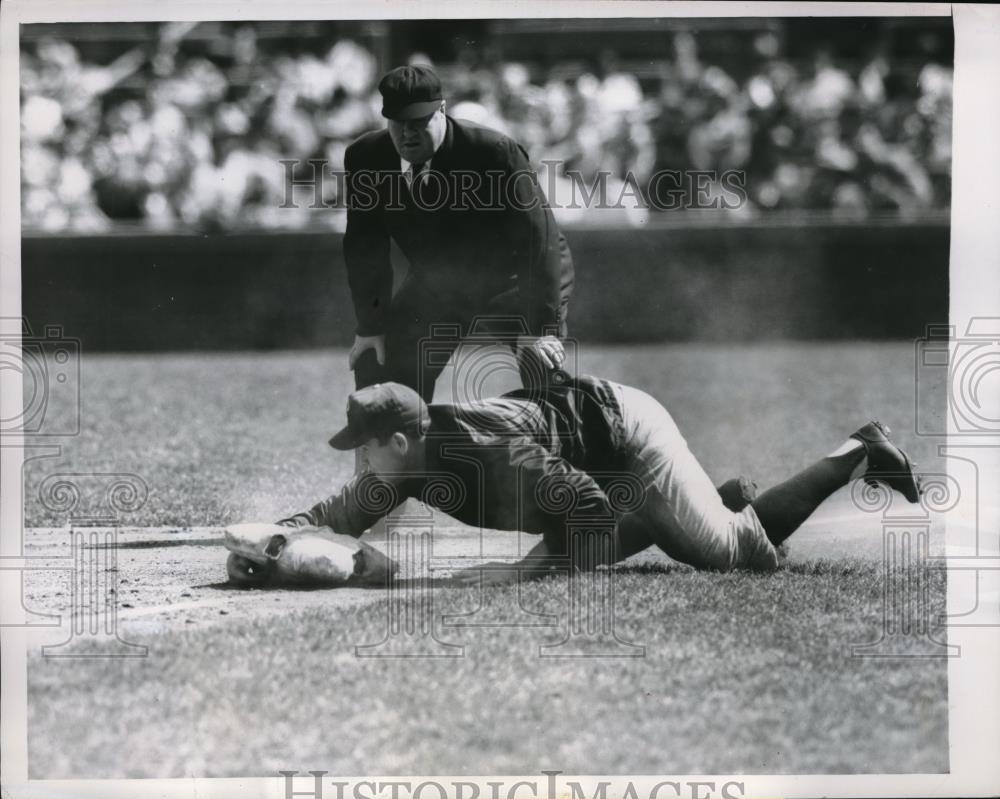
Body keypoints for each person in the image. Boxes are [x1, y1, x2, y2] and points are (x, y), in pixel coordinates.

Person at [274, 375, 922, 583]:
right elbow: (340, 512)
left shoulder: (485, 451)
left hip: (627, 436)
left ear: (397, 442)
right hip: (593, 447)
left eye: (364, 449)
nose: (360, 462)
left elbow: (586, 507)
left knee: (731, 553)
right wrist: (276, 540)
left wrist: (519, 571)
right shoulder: (406, 460)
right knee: (616, 539)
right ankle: (712, 499)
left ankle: (861, 450)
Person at [342, 64, 575, 402]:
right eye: (398, 122)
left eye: (418, 121)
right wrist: (370, 326)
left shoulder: (494, 152)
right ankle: (396, 438)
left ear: (442, 110)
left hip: (514, 276)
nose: (407, 133)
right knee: (378, 357)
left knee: (542, 362)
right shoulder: (365, 157)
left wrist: (539, 329)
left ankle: (563, 434)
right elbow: (365, 246)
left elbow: (538, 240)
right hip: (439, 281)